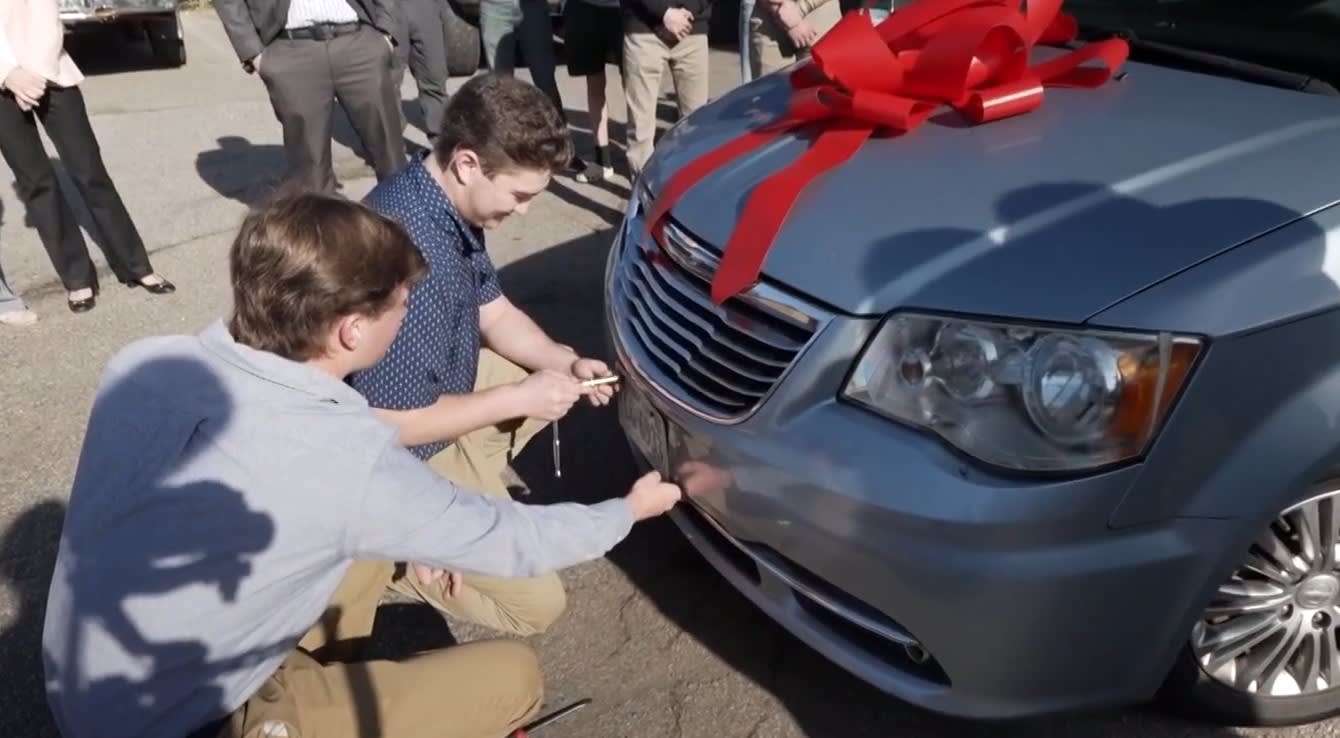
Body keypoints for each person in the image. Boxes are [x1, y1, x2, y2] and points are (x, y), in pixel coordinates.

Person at [40, 192, 683, 738]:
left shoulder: (144, 362)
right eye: (401, 305)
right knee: (515, 677)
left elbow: (287, 446)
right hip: (189, 721)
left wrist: (411, 515)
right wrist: (630, 509)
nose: (405, 317)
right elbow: (515, 540)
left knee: (366, 552)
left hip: (88, 687)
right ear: (350, 330)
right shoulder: (346, 459)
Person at [348, 72, 613, 639]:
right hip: (395, 451)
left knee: (534, 374)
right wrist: (519, 396)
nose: (523, 213)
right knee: (538, 604)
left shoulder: (440, 198)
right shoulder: (417, 261)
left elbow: (495, 312)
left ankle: (454, 508)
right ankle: (380, 560)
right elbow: (389, 427)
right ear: (468, 163)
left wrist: (561, 363)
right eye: (519, 196)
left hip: (431, 391)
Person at [0, 0, 175, 314]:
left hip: (49, 74)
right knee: (37, 184)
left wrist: (35, 76)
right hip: (2, 84)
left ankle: (136, 265)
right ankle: (77, 278)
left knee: (90, 171)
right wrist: (7, 74)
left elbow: (45, 17)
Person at [212, 0, 406, 194]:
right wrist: (253, 52)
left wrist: (386, 31)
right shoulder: (206, 158)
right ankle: (324, 222)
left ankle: (405, 218)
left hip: (359, 42)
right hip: (291, 51)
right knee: (311, 172)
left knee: (390, 152)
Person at [479, 0, 585, 174]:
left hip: (532, 5)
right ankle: (503, 153)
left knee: (545, 78)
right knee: (499, 86)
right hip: (494, 5)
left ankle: (562, 148)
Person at [620, 0, 713, 182]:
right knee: (641, 128)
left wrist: (686, 12)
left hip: (692, 29)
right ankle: (643, 201)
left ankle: (689, 193)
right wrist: (664, 13)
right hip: (643, 29)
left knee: (696, 124)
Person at [563, 0, 625, 183]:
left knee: (635, 88)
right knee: (594, 82)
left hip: (623, 9)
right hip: (584, 8)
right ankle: (602, 161)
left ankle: (643, 161)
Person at [747, 0, 841, 79]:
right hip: (768, 17)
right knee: (770, 94)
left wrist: (796, 12)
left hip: (819, 13)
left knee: (824, 93)